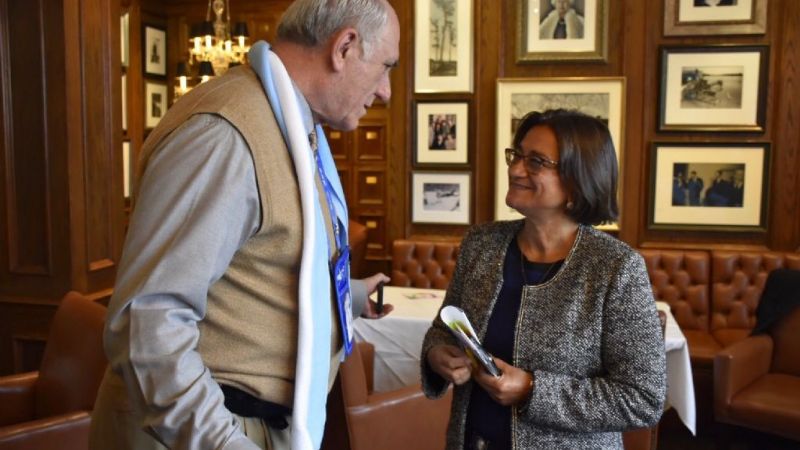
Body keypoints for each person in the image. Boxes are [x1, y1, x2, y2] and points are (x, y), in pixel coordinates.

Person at [89, 1, 400, 449]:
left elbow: (261, 261)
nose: (386, 90)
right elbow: (149, 323)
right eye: (385, 66)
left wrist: (342, 299)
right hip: (201, 431)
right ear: (345, 47)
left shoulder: (289, 124)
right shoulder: (225, 134)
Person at [421, 109, 666, 449]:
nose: (516, 169)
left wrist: (532, 390)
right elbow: (442, 329)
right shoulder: (481, 244)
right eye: (517, 155)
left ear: (578, 180)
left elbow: (642, 398)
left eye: (535, 161)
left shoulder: (615, 268)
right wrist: (437, 355)